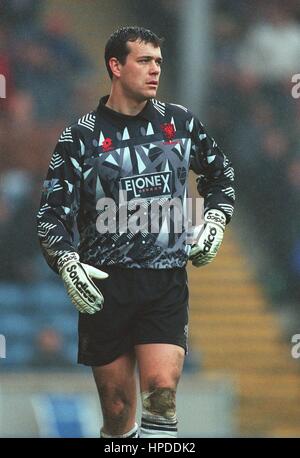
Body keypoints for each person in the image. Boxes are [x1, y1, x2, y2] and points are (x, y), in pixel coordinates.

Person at [37, 26, 235, 438]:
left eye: (159, 62)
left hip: (165, 282)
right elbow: (52, 214)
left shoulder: (180, 123)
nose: (155, 70)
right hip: (105, 287)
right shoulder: (81, 136)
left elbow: (221, 176)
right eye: (144, 61)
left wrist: (215, 219)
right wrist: (67, 262)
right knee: (117, 409)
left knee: (161, 395)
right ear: (115, 65)